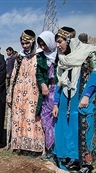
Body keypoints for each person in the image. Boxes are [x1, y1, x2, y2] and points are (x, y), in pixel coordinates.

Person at [52, 26, 96, 173]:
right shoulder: (63, 59)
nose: (58, 45)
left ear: (69, 40)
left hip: (82, 97)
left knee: (83, 128)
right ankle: (74, 158)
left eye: (60, 42)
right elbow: (59, 82)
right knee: (69, 128)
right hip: (66, 98)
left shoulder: (90, 52)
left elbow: (95, 76)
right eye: (56, 42)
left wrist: (87, 95)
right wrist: (56, 102)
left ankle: (86, 164)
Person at [6, 29, 45, 158]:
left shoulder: (40, 56)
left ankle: (34, 148)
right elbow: (13, 76)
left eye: (27, 43)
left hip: (33, 93)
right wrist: (10, 93)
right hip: (19, 92)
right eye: (23, 43)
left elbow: (42, 75)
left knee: (32, 118)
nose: (25, 46)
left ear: (33, 42)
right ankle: (21, 145)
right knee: (19, 119)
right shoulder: (19, 57)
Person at [37, 31, 58, 161]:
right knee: (46, 120)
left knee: (57, 121)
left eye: (44, 44)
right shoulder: (41, 57)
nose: (43, 47)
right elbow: (38, 73)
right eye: (41, 45)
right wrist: (42, 84)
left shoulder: (60, 57)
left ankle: (57, 151)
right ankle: (49, 149)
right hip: (46, 93)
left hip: (58, 91)